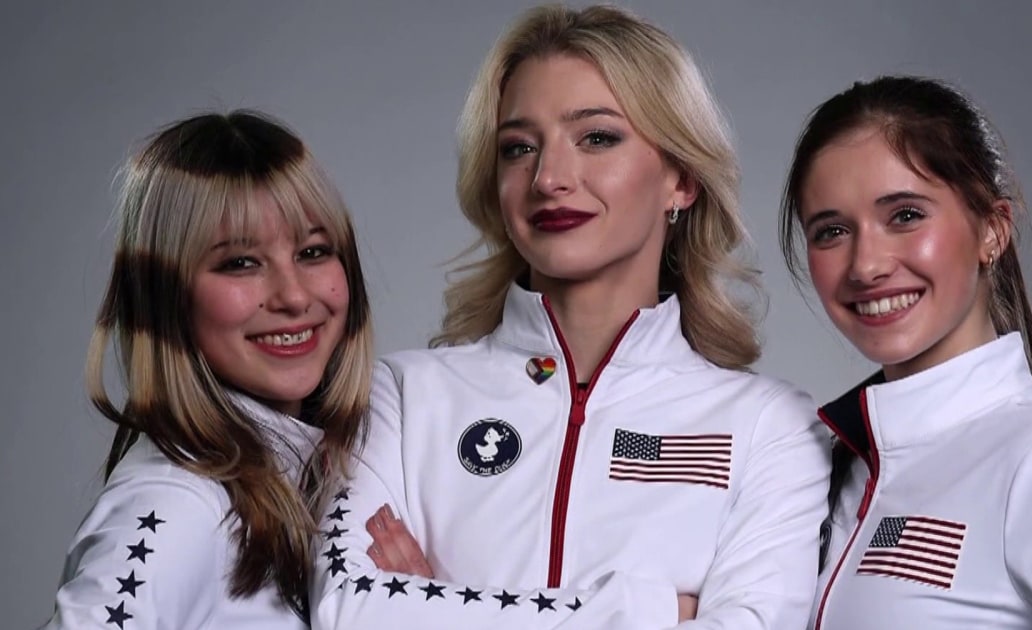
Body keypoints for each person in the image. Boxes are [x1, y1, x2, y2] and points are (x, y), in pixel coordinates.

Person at [311, 5, 830, 629]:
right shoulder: (397, 398)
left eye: (597, 138)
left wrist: (429, 607)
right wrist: (649, 611)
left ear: (682, 180)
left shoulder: (771, 427)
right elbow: (347, 609)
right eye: (519, 148)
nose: (549, 178)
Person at [779, 75, 1032, 629]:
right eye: (832, 231)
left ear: (993, 231)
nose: (867, 265)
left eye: (905, 215)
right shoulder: (821, 467)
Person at [43, 111, 373, 629]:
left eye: (313, 252)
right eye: (240, 262)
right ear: (166, 295)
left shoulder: (316, 477)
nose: (293, 296)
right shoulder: (175, 501)